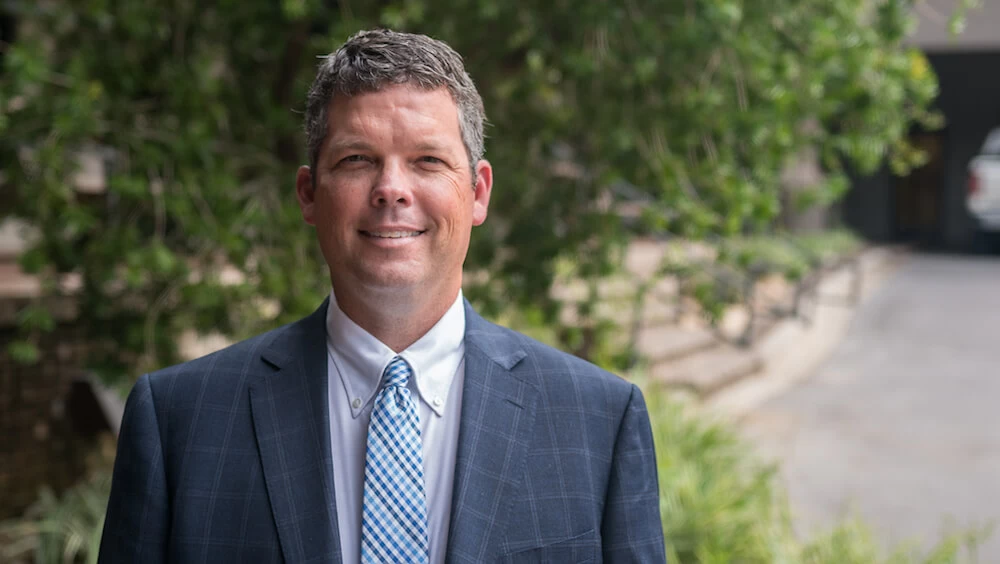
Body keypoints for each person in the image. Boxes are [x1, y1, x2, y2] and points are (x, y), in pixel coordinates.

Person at [99, 29, 665, 563]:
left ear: (477, 192)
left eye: (428, 161)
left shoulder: (599, 421)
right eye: (357, 160)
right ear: (309, 194)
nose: (391, 189)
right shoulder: (179, 421)